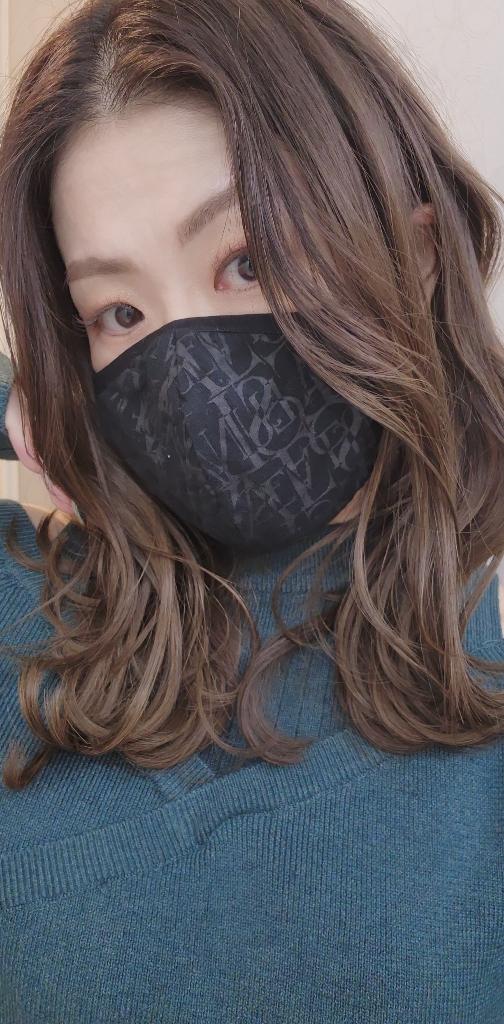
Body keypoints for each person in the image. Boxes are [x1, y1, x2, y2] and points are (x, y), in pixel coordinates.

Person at [0, 0, 503, 1020]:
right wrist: (24, 401)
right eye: (119, 312)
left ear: (413, 256)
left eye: (247, 261)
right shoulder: (29, 628)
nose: (192, 375)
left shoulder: (486, 645)